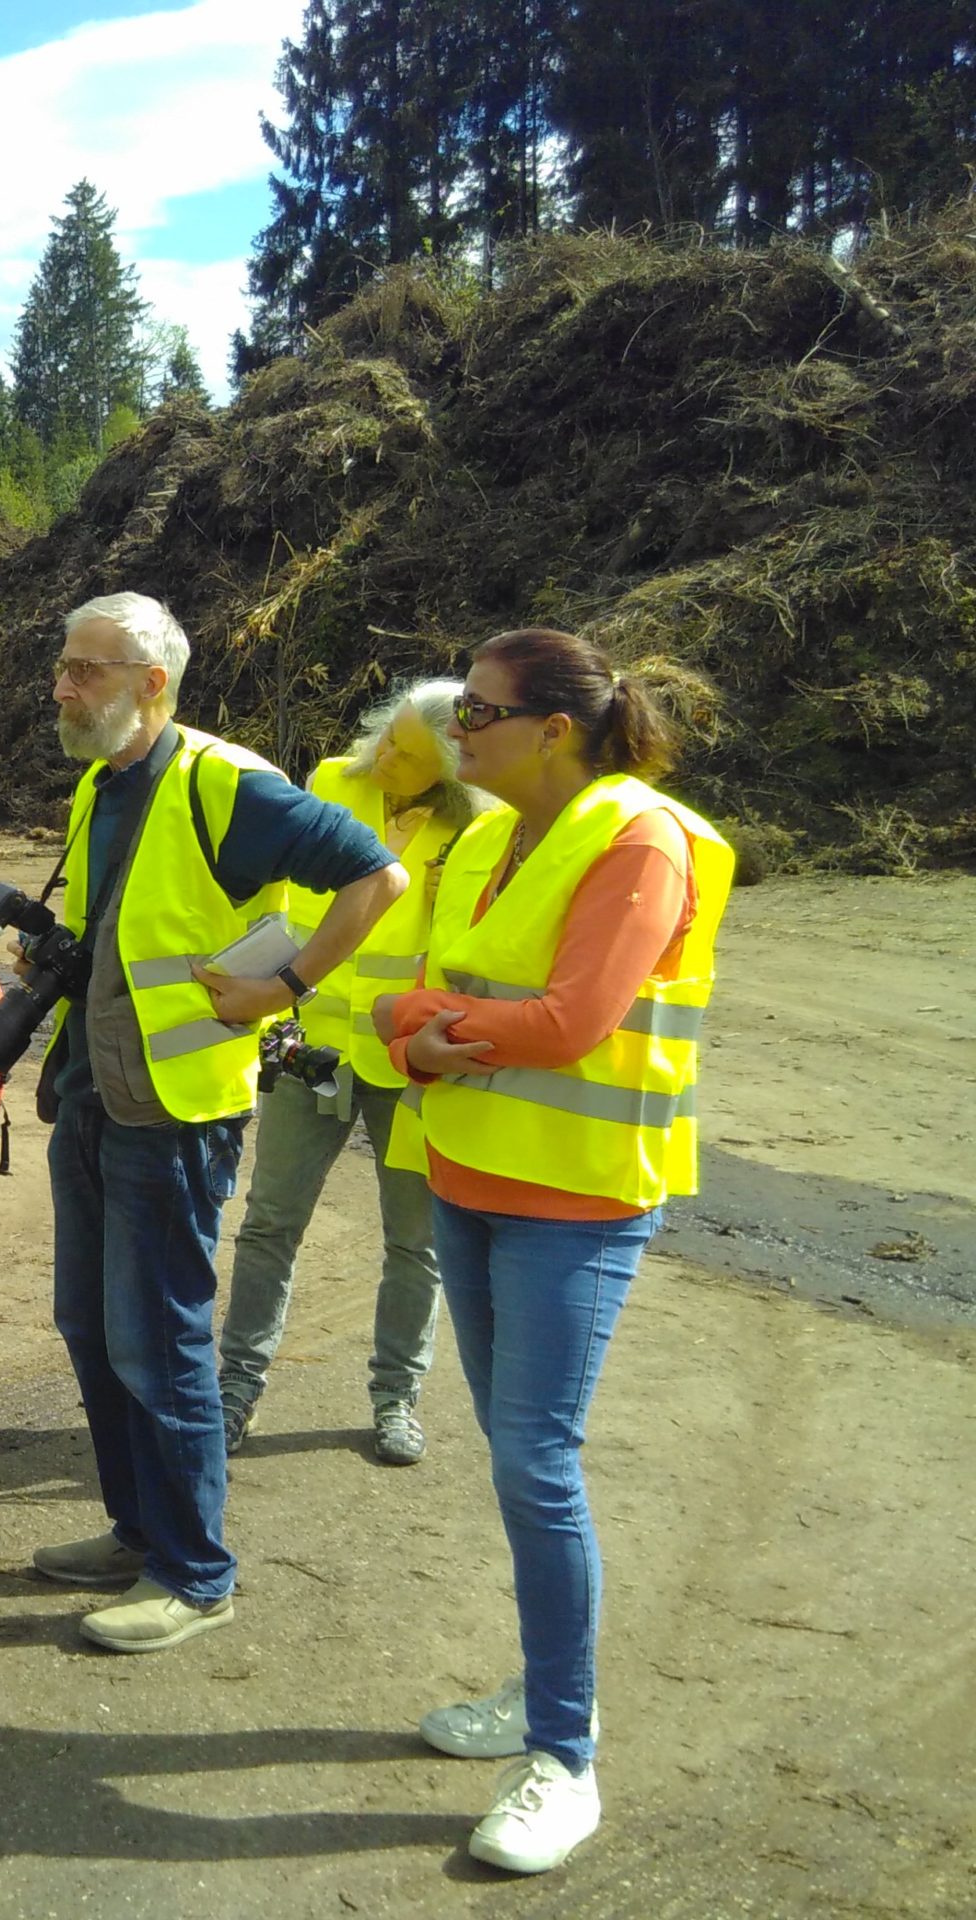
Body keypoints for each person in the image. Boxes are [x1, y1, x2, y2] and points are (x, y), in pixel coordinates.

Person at [373, 630, 732, 1875]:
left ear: (554, 730)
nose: (454, 727)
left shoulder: (638, 839)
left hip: (573, 1200)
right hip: (469, 1170)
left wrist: (424, 1023)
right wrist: (416, 1025)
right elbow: (415, 993)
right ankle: (541, 1699)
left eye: (476, 709)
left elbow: (572, 1021)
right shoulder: (481, 833)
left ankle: (563, 1760)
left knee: (536, 1463)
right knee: (514, 1453)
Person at [28, 592, 405, 1654]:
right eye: (62, 665)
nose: (64, 686)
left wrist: (285, 987)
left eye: (88, 670)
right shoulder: (103, 781)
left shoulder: (225, 785)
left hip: (178, 1114)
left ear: (154, 682)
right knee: (91, 1330)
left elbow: (378, 876)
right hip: (97, 1095)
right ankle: (137, 1531)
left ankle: (196, 1575)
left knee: (159, 1342)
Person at [217, 681, 493, 1466]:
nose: (385, 755)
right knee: (270, 1224)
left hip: (410, 1064)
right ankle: (236, 1388)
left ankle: (395, 1398)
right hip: (313, 1052)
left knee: (416, 1243)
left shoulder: (483, 823)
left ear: (451, 769)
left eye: (408, 753)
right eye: (388, 735)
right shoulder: (334, 781)